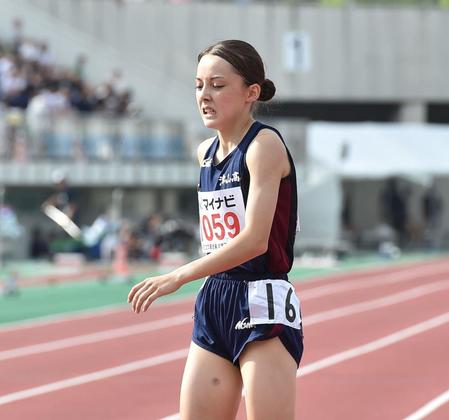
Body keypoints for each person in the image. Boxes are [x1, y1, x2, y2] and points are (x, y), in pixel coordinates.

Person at [128, 40, 303, 420]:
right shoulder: (204, 153)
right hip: (215, 299)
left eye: (218, 85)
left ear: (250, 93)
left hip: (261, 300)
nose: (204, 96)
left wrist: (178, 275)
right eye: (198, 85)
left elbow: (256, 240)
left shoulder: (264, 146)